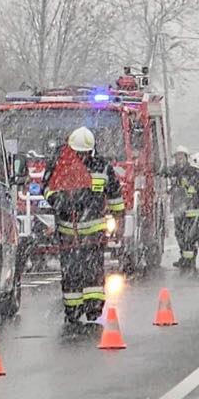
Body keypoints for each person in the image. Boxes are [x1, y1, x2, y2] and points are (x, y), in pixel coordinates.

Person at [42, 126, 124, 324]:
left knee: (93, 270)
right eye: (78, 153)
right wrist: (58, 200)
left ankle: (94, 307)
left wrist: (118, 219)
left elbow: (114, 195)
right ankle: (73, 309)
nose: (82, 156)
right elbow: (45, 188)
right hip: (68, 231)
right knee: (71, 273)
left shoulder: (102, 167)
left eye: (84, 153)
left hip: (93, 231)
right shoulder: (60, 164)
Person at [164, 145, 192, 264]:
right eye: (177, 157)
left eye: (181, 157)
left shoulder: (191, 171)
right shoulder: (173, 170)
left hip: (188, 207)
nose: (179, 159)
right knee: (179, 233)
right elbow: (166, 173)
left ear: (186, 158)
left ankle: (189, 258)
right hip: (177, 206)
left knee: (188, 233)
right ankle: (184, 256)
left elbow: (191, 188)